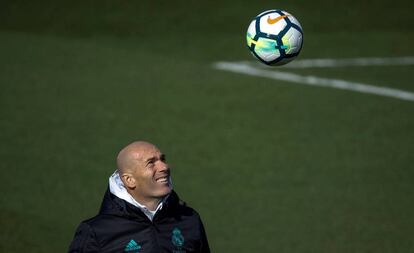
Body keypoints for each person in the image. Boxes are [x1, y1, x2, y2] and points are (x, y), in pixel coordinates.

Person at [68, 141, 210, 253]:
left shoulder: (189, 220)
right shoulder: (96, 232)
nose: (164, 167)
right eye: (151, 163)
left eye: (162, 159)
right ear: (129, 180)